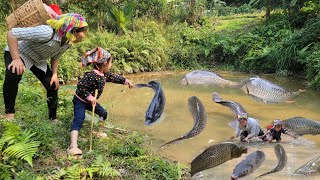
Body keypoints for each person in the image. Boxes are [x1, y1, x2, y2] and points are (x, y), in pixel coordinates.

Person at [4, 13, 88, 122]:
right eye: (84, 32)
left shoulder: (67, 41)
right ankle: (9, 115)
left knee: (53, 85)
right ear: (74, 31)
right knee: (13, 74)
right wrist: (16, 59)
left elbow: (56, 57)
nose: (85, 35)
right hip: (20, 52)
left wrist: (54, 75)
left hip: (38, 59)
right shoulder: (46, 32)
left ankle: (53, 118)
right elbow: (11, 34)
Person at [67, 47, 134, 156]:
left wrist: (127, 81)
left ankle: (98, 131)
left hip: (90, 102)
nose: (111, 65)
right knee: (79, 119)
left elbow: (114, 77)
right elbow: (81, 87)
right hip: (80, 100)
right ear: (104, 64)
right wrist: (90, 97)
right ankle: (73, 146)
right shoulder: (91, 75)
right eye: (110, 62)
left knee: (103, 113)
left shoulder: (105, 74)